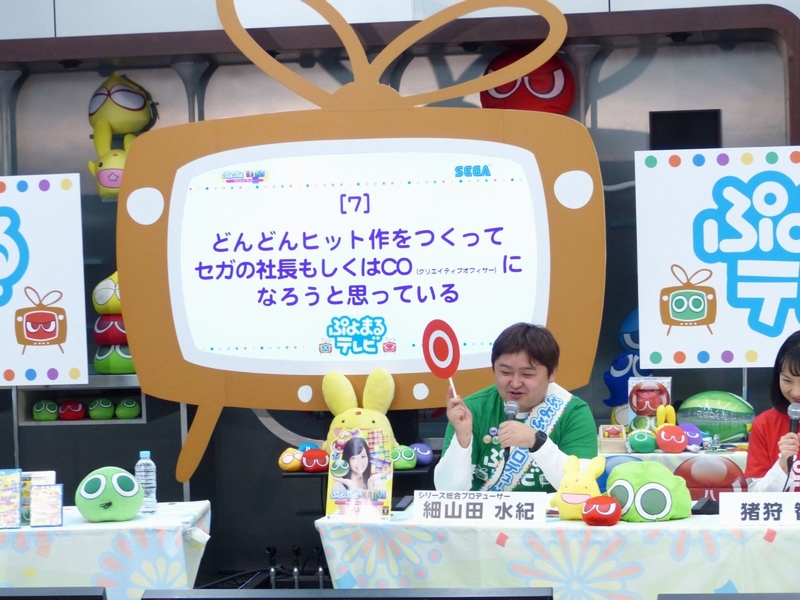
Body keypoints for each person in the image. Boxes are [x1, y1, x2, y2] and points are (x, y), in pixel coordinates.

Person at [434, 322, 598, 492]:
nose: (515, 383)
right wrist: (462, 439)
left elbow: (582, 489)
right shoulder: (471, 410)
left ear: (552, 373)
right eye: (505, 372)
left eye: (527, 374)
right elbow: (448, 492)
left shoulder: (572, 412)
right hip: (486, 509)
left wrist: (537, 442)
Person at [745, 330, 800, 492]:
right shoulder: (765, 424)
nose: (796, 392)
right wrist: (782, 464)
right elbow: (755, 495)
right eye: (787, 380)